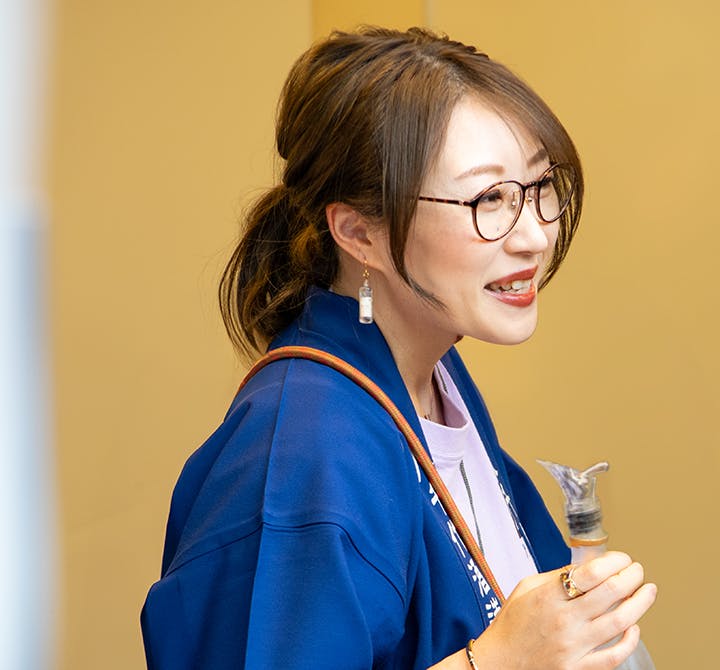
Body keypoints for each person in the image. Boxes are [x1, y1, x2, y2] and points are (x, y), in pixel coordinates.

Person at [141, 26, 656, 669]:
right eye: (489, 199)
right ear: (360, 233)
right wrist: (498, 662)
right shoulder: (306, 448)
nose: (533, 236)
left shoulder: (435, 375)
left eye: (539, 187)